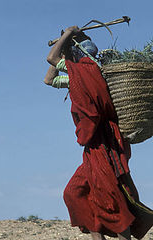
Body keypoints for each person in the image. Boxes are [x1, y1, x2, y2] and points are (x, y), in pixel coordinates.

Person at [44, 26, 153, 240]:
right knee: (76, 193)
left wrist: (68, 34)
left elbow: (50, 58)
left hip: (105, 144)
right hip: (96, 145)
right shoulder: (80, 76)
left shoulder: (92, 73)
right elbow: (49, 79)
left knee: (109, 196)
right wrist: (67, 48)